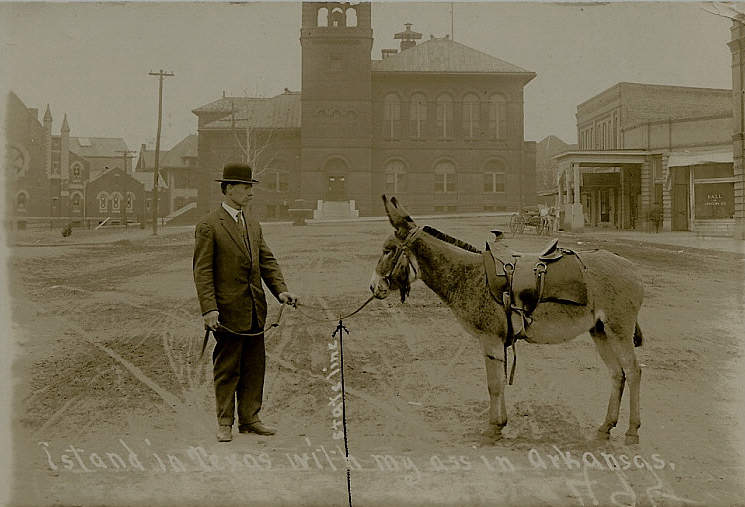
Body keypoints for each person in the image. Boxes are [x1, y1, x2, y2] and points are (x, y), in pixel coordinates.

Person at [193, 162, 298, 442]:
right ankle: (225, 422)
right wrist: (209, 308)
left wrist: (281, 291)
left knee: (254, 367)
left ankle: (250, 419)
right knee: (228, 368)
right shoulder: (208, 226)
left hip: (254, 310)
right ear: (228, 189)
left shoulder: (252, 223)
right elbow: (202, 271)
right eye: (244, 186)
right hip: (226, 313)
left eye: (251, 186)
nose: (250, 192)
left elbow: (266, 261)